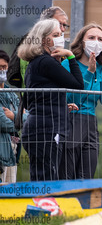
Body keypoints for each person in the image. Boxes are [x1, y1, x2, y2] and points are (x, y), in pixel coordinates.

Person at [17, 19, 84, 181]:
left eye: (61, 34)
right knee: (47, 180)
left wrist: (59, 105)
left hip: (38, 127)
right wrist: (70, 56)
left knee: (41, 178)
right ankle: (44, 207)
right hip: (46, 129)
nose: (61, 38)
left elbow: (32, 99)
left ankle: (41, 206)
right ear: (44, 39)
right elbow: (77, 84)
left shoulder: (35, 63)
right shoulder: (45, 61)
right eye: (56, 35)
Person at [60, 24, 102, 179]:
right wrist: (89, 73)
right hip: (71, 121)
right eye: (91, 38)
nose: (96, 42)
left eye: (100, 39)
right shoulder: (68, 64)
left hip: (91, 124)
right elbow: (73, 99)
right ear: (82, 42)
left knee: (86, 177)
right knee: (67, 177)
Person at [0, 50, 21, 183]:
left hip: (12, 151)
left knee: (10, 192)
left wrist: (12, 115)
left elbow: (28, 117)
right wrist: (18, 118)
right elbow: (2, 122)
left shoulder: (11, 93)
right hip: (1, 151)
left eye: (4, 67)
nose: (2, 70)